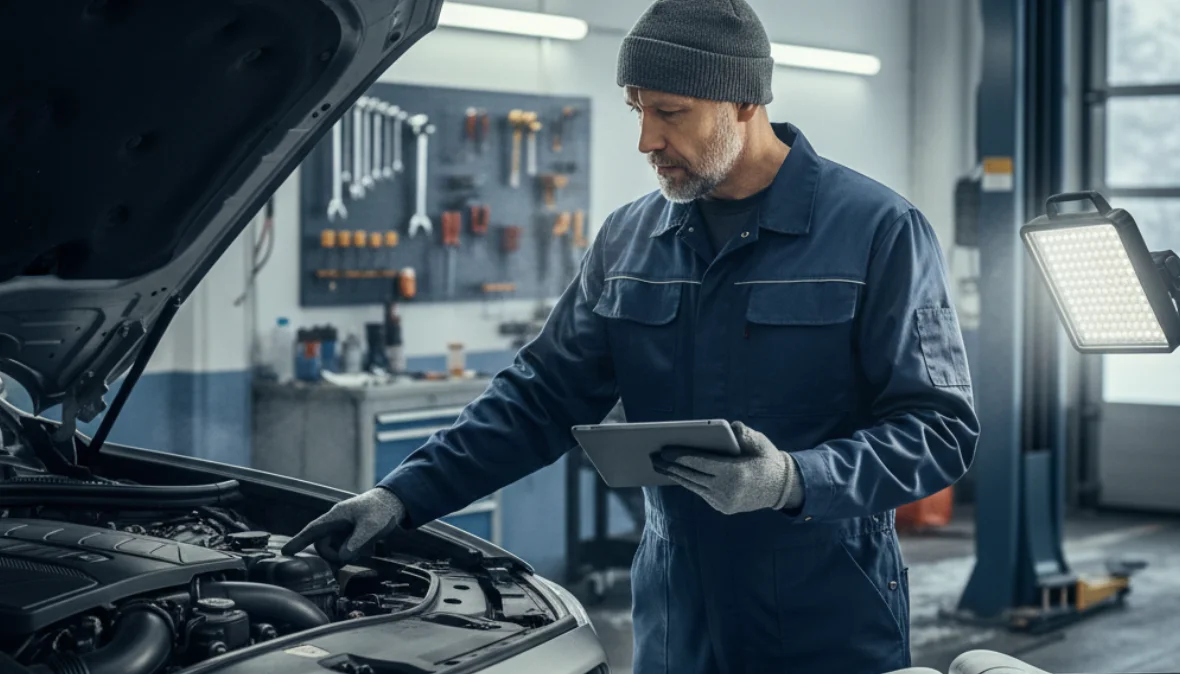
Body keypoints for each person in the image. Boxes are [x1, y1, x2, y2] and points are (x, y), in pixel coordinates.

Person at [283, 0, 980, 671]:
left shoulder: (878, 231)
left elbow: (939, 428)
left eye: (670, 113)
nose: (647, 140)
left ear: (744, 102)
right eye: (638, 111)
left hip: (827, 617)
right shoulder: (629, 239)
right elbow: (541, 397)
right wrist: (401, 497)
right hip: (677, 619)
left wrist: (793, 480)